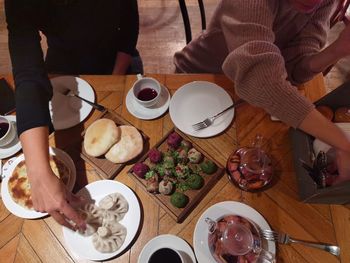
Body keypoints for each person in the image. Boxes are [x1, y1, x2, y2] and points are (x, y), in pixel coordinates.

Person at [174, 0, 350, 184]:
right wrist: (342, 143)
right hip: (198, 76)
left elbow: (293, 70)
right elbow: (261, 81)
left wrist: (337, 50)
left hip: (251, 96)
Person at [5, 0, 141, 230]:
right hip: (61, 63)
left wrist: (115, 78)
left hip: (118, 60)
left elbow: (128, 24)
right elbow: (27, 69)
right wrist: (37, 172)